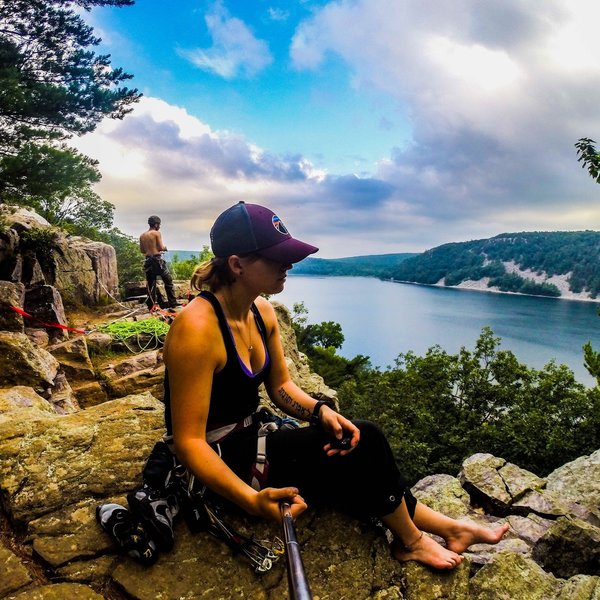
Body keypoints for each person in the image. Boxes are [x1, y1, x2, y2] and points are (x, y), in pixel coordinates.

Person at [162, 201, 509, 570]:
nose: (289, 265)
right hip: (223, 463)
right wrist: (251, 501)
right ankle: (411, 541)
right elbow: (189, 442)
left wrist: (320, 411)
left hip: (254, 440)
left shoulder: (260, 312)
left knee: (349, 442)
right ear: (237, 264)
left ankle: (449, 527)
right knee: (367, 441)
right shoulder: (196, 330)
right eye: (278, 258)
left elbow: (281, 386)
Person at [140, 215, 179, 309]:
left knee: (151, 285)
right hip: (157, 261)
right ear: (156, 224)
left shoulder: (142, 236)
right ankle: (173, 304)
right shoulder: (156, 233)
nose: (160, 226)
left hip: (148, 261)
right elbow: (161, 247)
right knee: (168, 281)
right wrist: (165, 248)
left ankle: (151, 306)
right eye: (159, 224)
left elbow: (142, 250)